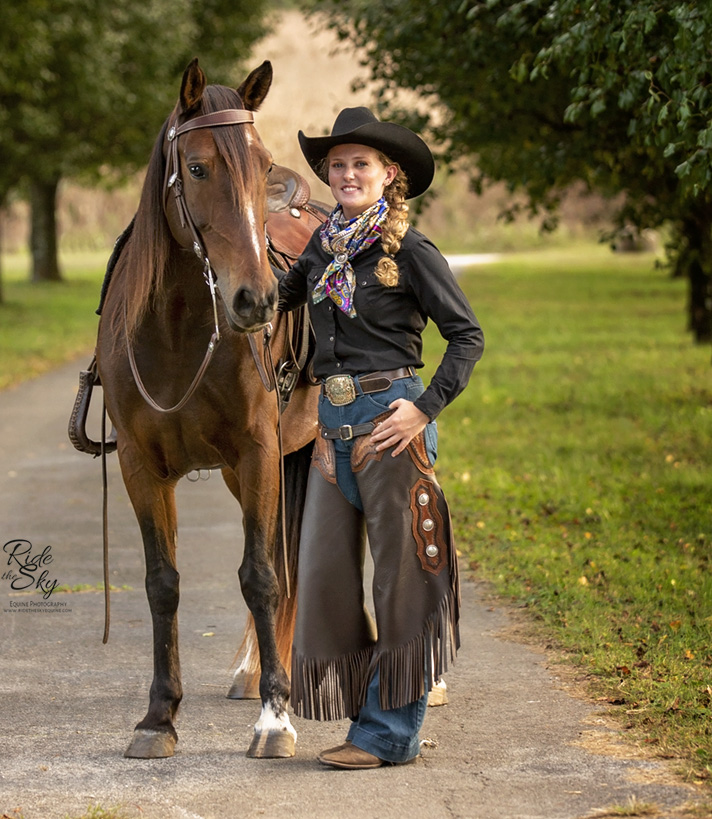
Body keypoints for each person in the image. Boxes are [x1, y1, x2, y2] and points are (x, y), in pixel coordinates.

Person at [277, 107, 484, 769]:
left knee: (402, 583)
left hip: (392, 427)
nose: (346, 173)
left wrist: (422, 409)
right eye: (336, 164)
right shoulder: (321, 249)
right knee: (324, 581)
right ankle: (367, 713)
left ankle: (389, 735)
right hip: (331, 429)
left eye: (359, 163)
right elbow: (273, 299)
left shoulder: (409, 249)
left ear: (388, 173)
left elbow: (466, 337)